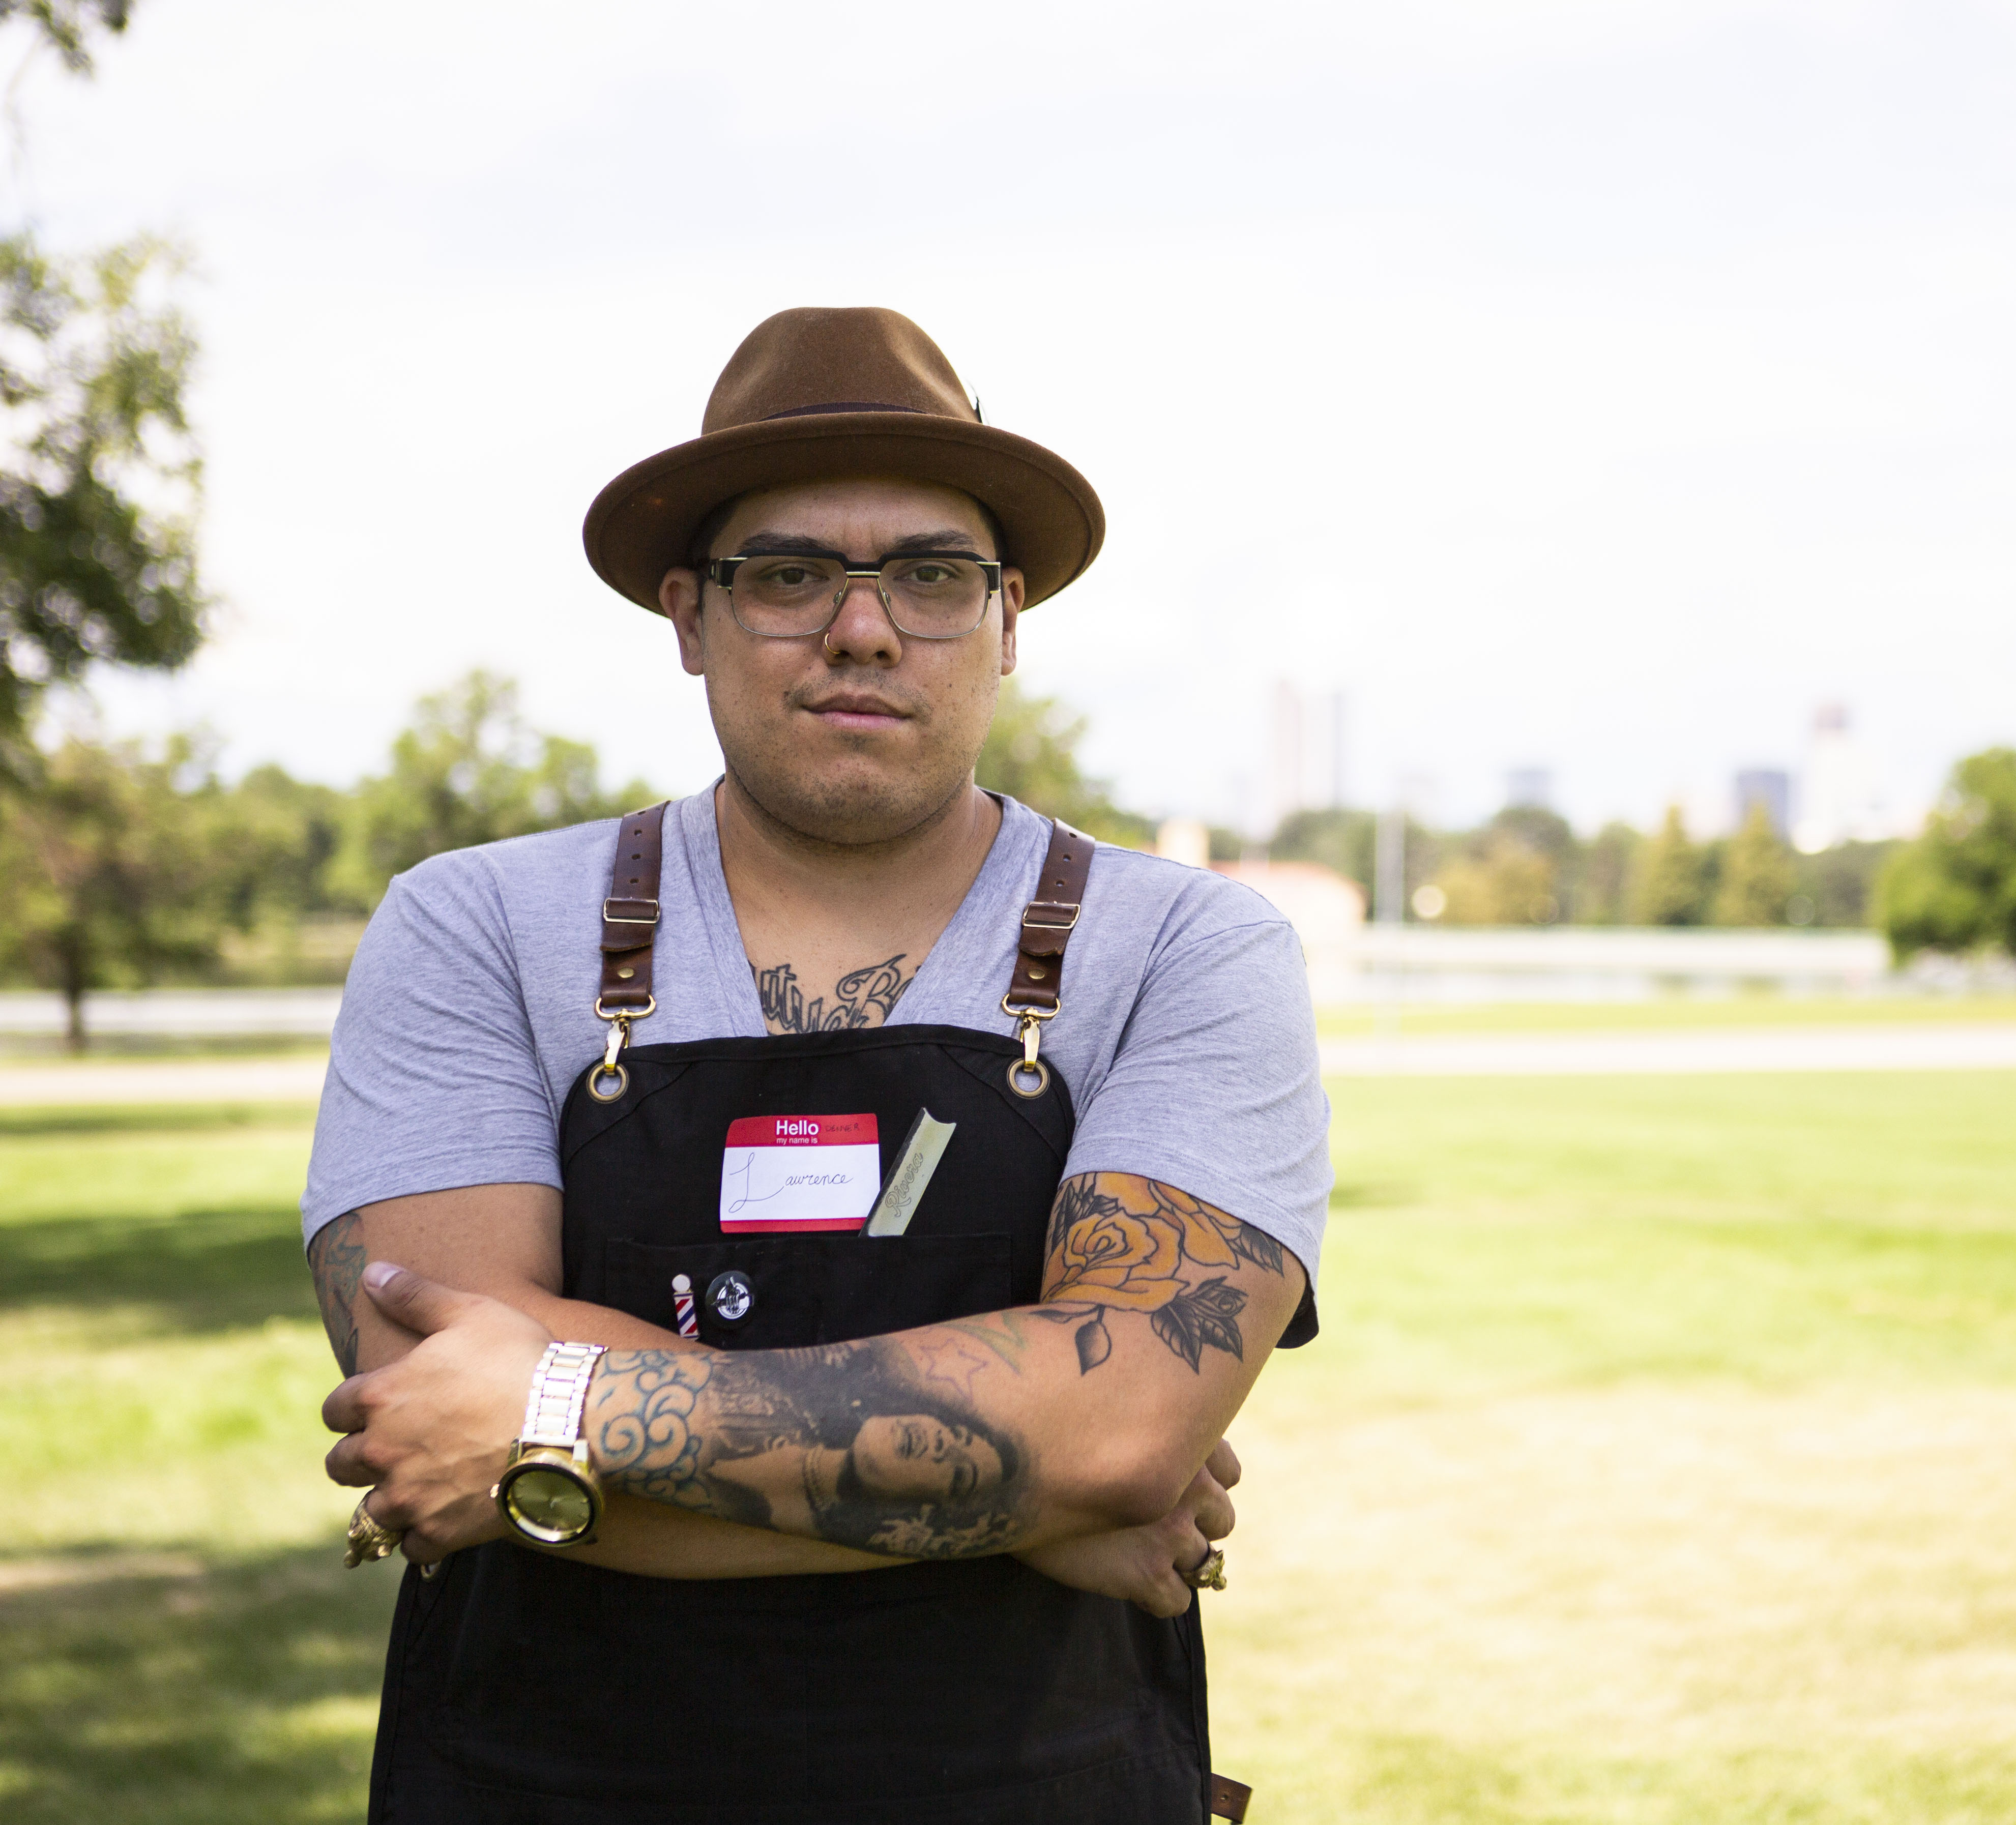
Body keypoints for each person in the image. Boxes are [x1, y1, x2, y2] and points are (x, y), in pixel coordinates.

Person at [303, 306, 1325, 1824]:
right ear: (688, 616)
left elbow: (1120, 1430)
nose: (864, 626)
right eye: (787, 574)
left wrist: (561, 1416)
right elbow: (433, 1410)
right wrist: (1020, 1497)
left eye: (931, 573)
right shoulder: (478, 924)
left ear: (1009, 618)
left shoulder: (1185, 944)